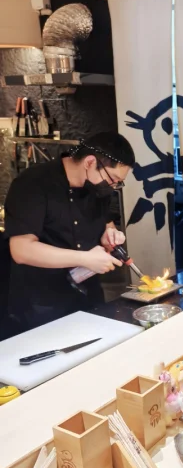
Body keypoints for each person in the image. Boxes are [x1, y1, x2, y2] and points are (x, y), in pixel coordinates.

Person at [4, 131, 135, 333]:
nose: (113, 186)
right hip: (42, 303)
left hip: (88, 295)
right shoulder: (32, 184)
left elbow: (107, 223)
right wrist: (84, 259)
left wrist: (110, 234)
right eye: (113, 179)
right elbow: (21, 250)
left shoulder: (98, 189)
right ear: (90, 162)